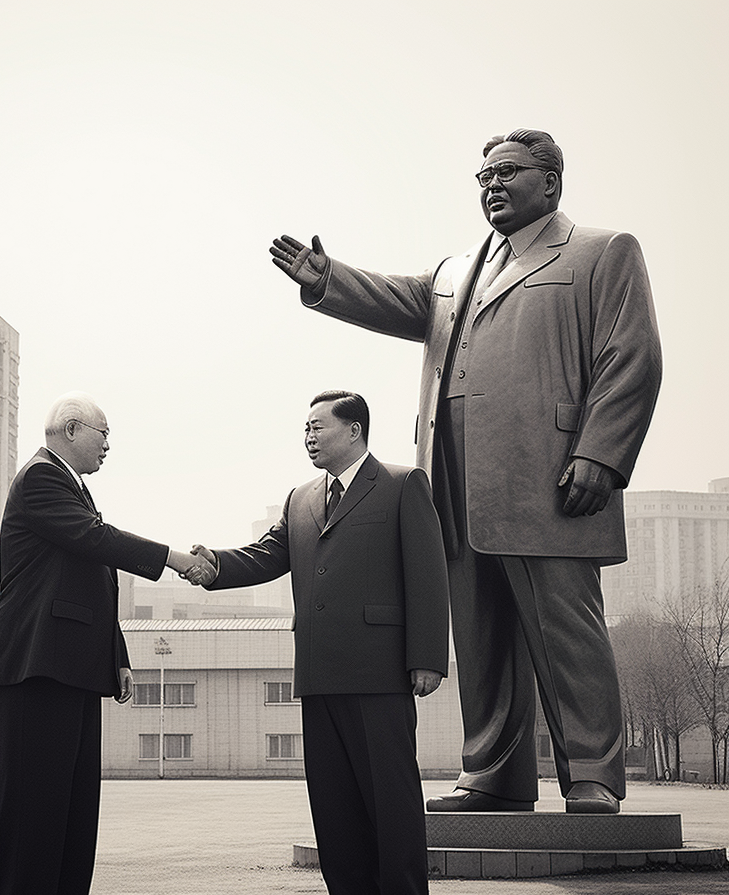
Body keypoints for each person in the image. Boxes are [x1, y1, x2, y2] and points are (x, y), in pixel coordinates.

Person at [270, 129, 662, 815]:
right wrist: (328, 281)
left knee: (566, 633)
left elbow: (633, 357)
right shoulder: (456, 271)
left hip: (552, 480)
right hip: (454, 482)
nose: (491, 186)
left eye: (508, 172)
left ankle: (593, 775)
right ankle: (492, 774)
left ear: (551, 181)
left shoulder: (602, 251)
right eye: (482, 176)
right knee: (480, 638)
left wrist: (600, 453)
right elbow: (398, 299)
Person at [189, 391, 449, 895]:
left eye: (317, 426)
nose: (307, 435)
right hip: (319, 671)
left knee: (392, 800)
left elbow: (428, 574)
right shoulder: (300, 498)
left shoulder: (404, 485)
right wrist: (213, 567)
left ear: (353, 430)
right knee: (333, 803)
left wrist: (427, 655)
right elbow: (266, 556)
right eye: (304, 427)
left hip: (380, 670)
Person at [0, 391, 207, 895]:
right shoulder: (39, 478)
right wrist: (175, 559)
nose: (109, 445)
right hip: (36, 666)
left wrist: (117, 654)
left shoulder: (74, 489)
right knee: (34, 804)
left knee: (74, 805)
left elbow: (92, 578)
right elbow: (96, 543)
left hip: (72, 665)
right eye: (103, 433)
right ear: (71, 428)